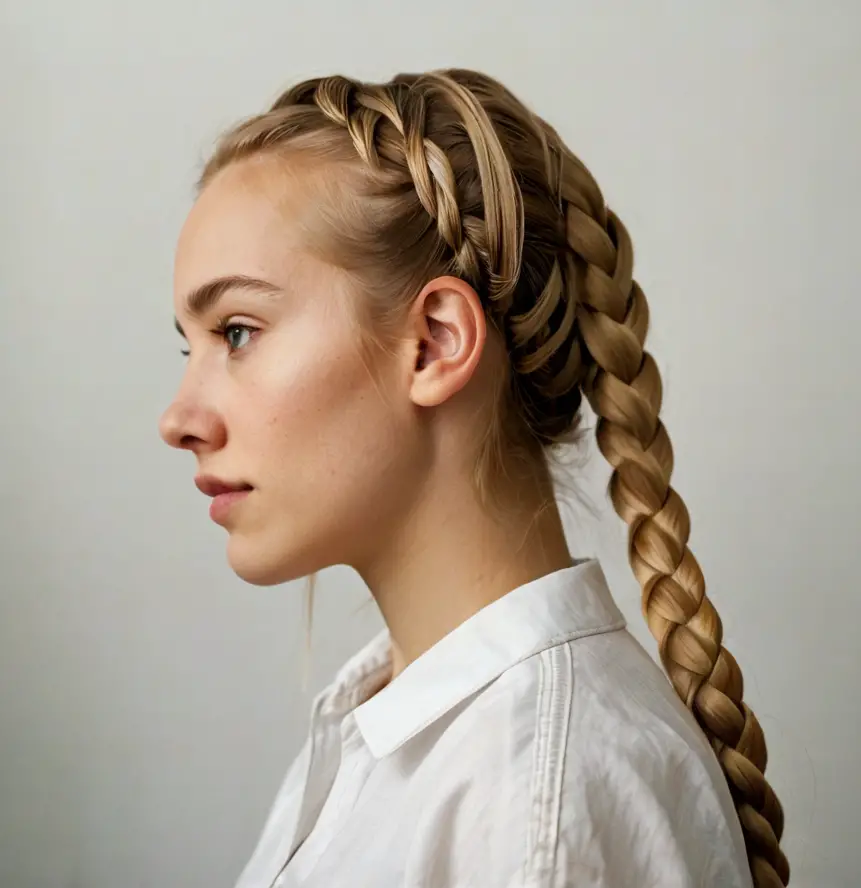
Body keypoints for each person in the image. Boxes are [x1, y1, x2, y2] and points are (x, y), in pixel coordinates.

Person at [159, 69, 789, 888]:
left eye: (237, 332)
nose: (178, 419)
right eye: (191, 345)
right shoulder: (397, 734)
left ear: (433, 342)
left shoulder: (538, 805)